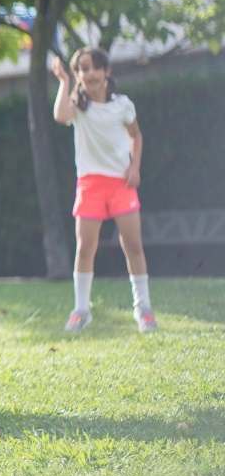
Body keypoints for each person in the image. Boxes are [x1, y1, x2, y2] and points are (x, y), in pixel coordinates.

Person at [52, 47, 157, 334]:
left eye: (94, 67)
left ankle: (143, 309)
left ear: (106, 72)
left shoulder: (123, 105)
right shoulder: (77, 108)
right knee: (85, 248)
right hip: (90, 185)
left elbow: (136, 136)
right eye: (82, 69)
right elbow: (60, 116)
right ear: (79, 76)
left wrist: (135, 167)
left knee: (133, 246)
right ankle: (81, 310)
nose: (89, 73)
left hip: (121, 185)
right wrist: (64, 82)